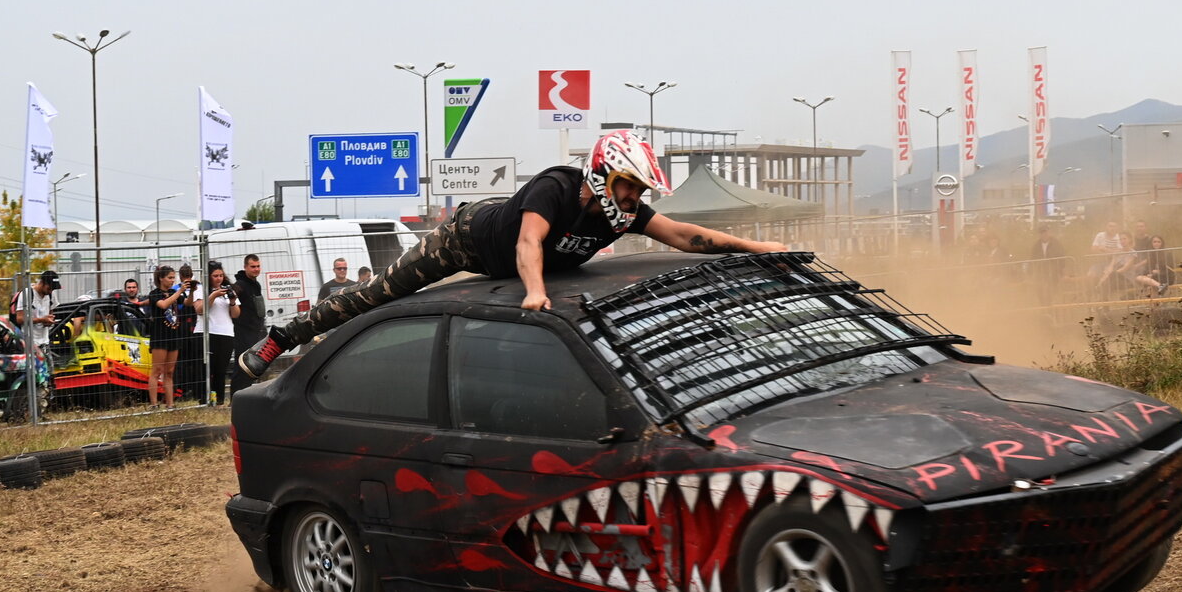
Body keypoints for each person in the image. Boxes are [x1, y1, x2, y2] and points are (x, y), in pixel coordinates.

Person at [240, 131, 788, 377]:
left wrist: (759, 246)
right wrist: (535, 291)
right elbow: (530, 243)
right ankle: (281, 342)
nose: (633, 200)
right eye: (627, 186)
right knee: (379, 294)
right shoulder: (556, 187)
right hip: (467, 240)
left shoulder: (623, 212)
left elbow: (687, 237)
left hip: (515, 264)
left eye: (640, 192)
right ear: (601, 175)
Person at [193, 259, 240, 404]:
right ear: (208, 276)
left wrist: (232, 301)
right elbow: (200, 310)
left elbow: (236, 314)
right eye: (215, 276)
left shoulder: (228, 289)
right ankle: (204, 400)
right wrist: (213, 295)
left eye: (220, 275)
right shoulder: (200, 290)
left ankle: (219, 400)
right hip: (206, 332)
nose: (219, 278)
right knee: (207, 369)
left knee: (221, 370)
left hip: (225, 333)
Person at [145, 265, 189, 406]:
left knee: (169, 371)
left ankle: (170, 404)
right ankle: (153, 403)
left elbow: (187, 303)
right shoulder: (154, 293)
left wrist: (191, 291)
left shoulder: (174, 292)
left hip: (174, 335)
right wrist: (178, 292)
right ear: (161, 278)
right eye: (170, 278)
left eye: (173, 277)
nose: (172, 280)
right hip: (160, 336)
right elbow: (163, 305)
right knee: (157, 370)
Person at [230, 254, 266, 392]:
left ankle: (247, 393)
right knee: (242, 365)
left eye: (258, 266)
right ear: (245, 267)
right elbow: (232, 299)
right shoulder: (240, 285)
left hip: (256, 331)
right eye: (253, 267)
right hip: (243, 331)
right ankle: (235, 397)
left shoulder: (256, 284)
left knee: (252, 366)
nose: (256, 269)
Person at [12, 269, 62, 347]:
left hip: (45, 342)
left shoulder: (51, 295)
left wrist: (49, 321)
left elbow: (50, 314)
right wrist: (41, 320)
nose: (51, 291)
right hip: (29, 343)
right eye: (49, 288)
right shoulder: (27, 294)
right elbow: (20, 318)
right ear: (42, 282)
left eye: (53, 289)